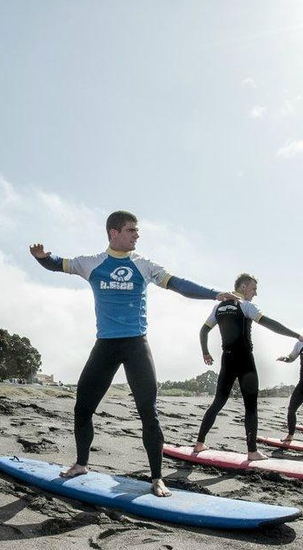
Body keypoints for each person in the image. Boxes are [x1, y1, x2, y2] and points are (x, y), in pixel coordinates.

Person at [30, 211, 236, 496]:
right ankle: (81, 464)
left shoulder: (144, 265)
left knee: (148, 412)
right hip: (106, 345)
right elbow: (58, 264)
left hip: (136, 345)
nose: (137, 235)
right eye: (131, 231)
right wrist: (41, 257)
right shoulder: (91, 263)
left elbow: (178, 284)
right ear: (114, 233)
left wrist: (214, 293)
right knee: (82, 407)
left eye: (137, 231)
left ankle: (156, 478)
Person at [192, 273, 303, 461]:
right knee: (251, 407)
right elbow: (270, 324)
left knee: (218, 402)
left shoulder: (219, 306)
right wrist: (297, 336)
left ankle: (199, 443)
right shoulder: (246, 306)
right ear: (243, 287)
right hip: (245, 361)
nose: (255, 293)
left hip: (227, 359)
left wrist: (205, 352)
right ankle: (252, 451)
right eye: (253, 288)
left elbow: (204, 330)